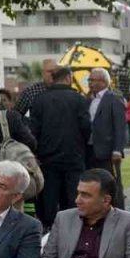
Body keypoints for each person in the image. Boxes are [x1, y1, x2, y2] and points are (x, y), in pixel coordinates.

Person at [29, 67, 92, 229]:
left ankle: (49, 226)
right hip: (73, 154)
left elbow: (33, 130)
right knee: (73, 194)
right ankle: (73, 226)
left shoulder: (39, 100)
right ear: (68, 78)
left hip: (47, 156)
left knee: (49, 194)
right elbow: (86, 126)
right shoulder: (79, 99)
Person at [86, 67, 127, 205]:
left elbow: (120, 126)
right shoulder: (88, 99)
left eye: (92, 80)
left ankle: (118, 209)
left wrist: (117, 150)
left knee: (111, 182)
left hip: (108, 150)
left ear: (103, 81)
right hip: (90, 148)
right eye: (89, 80)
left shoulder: (114, 98)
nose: (89, 83)